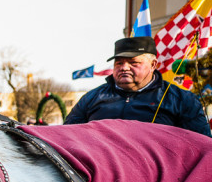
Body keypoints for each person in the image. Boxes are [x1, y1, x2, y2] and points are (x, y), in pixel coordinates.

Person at [65, 36, 212, 136]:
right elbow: (67, 136)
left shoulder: (182, 100)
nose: (124, 68)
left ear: (153, 65)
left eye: (133, 63)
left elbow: (201, 146)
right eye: (119, 63)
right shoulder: (91, 98)